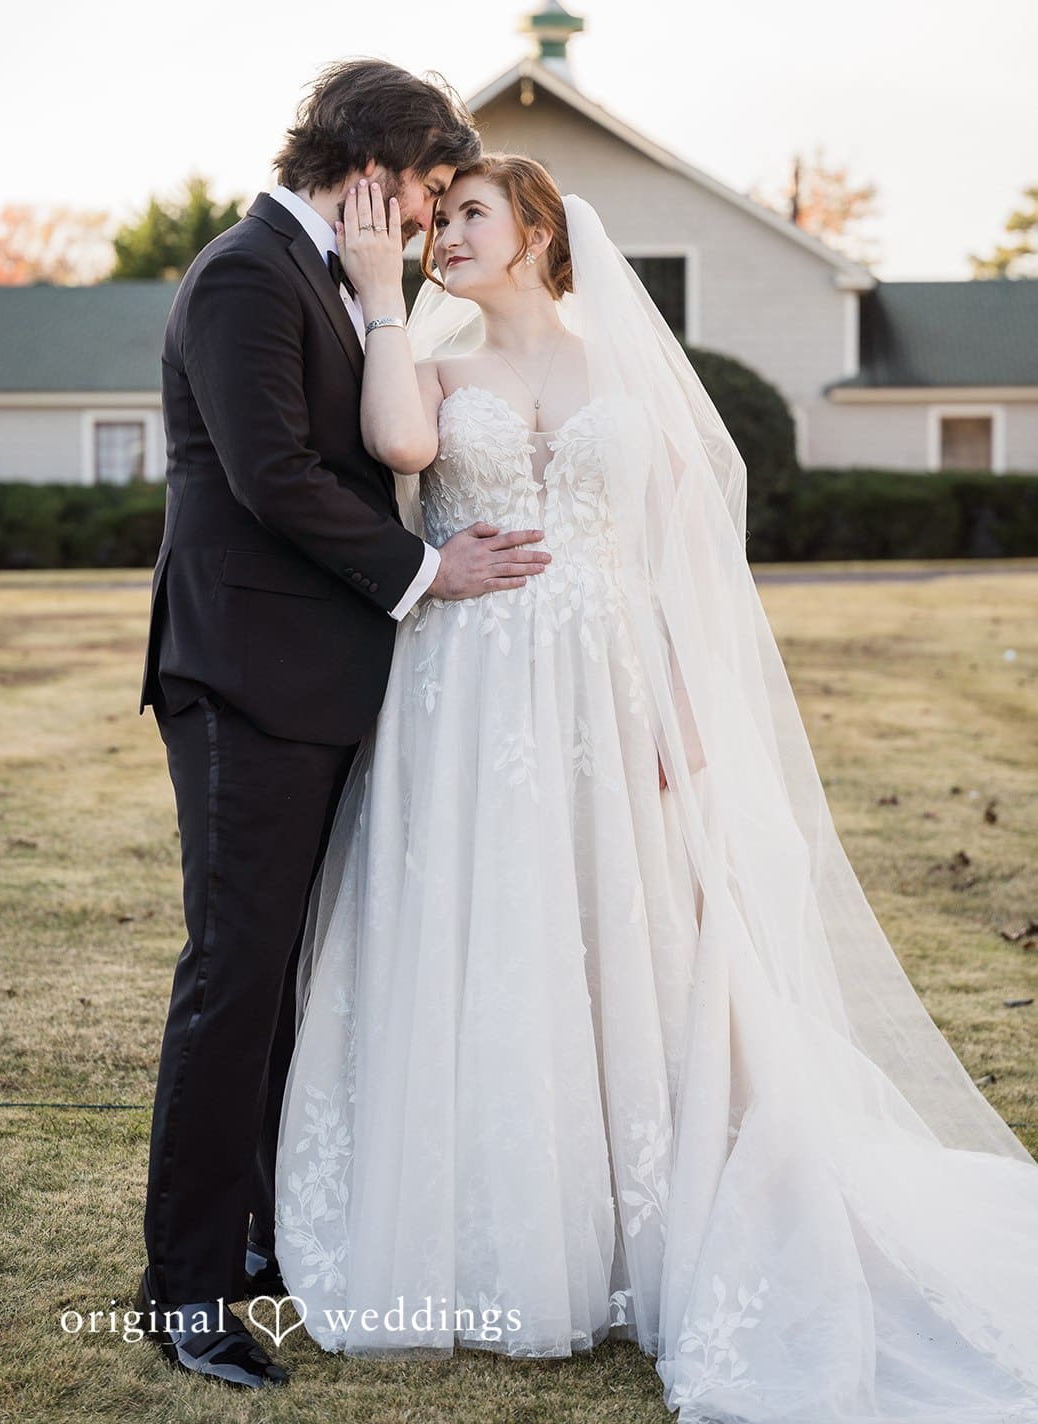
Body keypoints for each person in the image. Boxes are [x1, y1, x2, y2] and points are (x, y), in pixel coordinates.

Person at [275, 155, 1038, 1421]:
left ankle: (641, 1209)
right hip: (468, 689)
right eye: (437, 218)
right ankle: (500, 1220)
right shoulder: (431, 364)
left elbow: (677, 553)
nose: (441, 233)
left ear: (538, 233)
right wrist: (380, 299)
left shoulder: (626, 375)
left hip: (607, 682)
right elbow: (399, 444)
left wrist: (680, 700)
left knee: (621, 925)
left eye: (468, 215)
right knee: (491, 922)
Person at [135, 67, 553, 1390]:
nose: (431, 211)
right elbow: (272, 476)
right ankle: (182, 1290)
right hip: (240, 678)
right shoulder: (245, 274)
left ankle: (257, 1233)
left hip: (317, 683)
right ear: (373, 163)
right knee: (233, 976)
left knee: (286, 980)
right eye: (429, 183)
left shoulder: (329, 277)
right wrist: (427, 573)